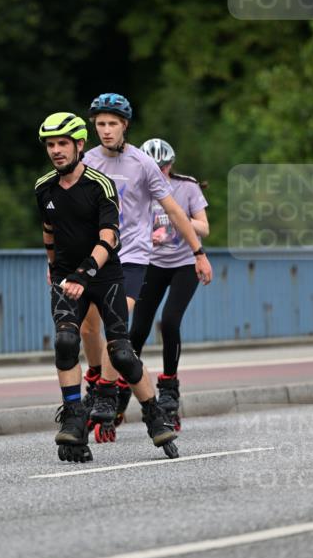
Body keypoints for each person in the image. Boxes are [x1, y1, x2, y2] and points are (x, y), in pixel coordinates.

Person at [34, 111, 180, 462]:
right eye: (50, 145)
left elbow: (110, 236)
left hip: (104, 276)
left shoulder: (100, 185)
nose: (56, 151)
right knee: (66, 342)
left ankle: (154, 415)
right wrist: (53, 267)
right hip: (68, 276)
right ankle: (73, 416)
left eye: (63, 144)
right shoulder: (43, 187)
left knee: (121, 354)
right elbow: (49, 230)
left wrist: (84, 273)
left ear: (79, 145)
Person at [80, 93, 212, 439]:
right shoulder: (86, 161)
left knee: (123, 325)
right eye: (100, 124)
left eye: (112, 123)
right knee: (90, 330)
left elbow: (175, 212)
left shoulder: (143, 164)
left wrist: (198, 252)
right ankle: (101, 382)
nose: (106, 130)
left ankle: (109, 392)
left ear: (124, 125)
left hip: (135, 257)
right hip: (97, 254)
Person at [129, 138, 210, 428]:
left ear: (170, 165)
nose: (159, 173)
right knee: (137, 329)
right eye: (153, 168)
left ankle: (169, 388)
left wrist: (178, 217)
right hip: (151, 263)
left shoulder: (187, 187)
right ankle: (121, 387)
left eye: (163, 167)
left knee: (170, 322)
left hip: (184, 264)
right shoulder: (136, 189)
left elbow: (204, 227)